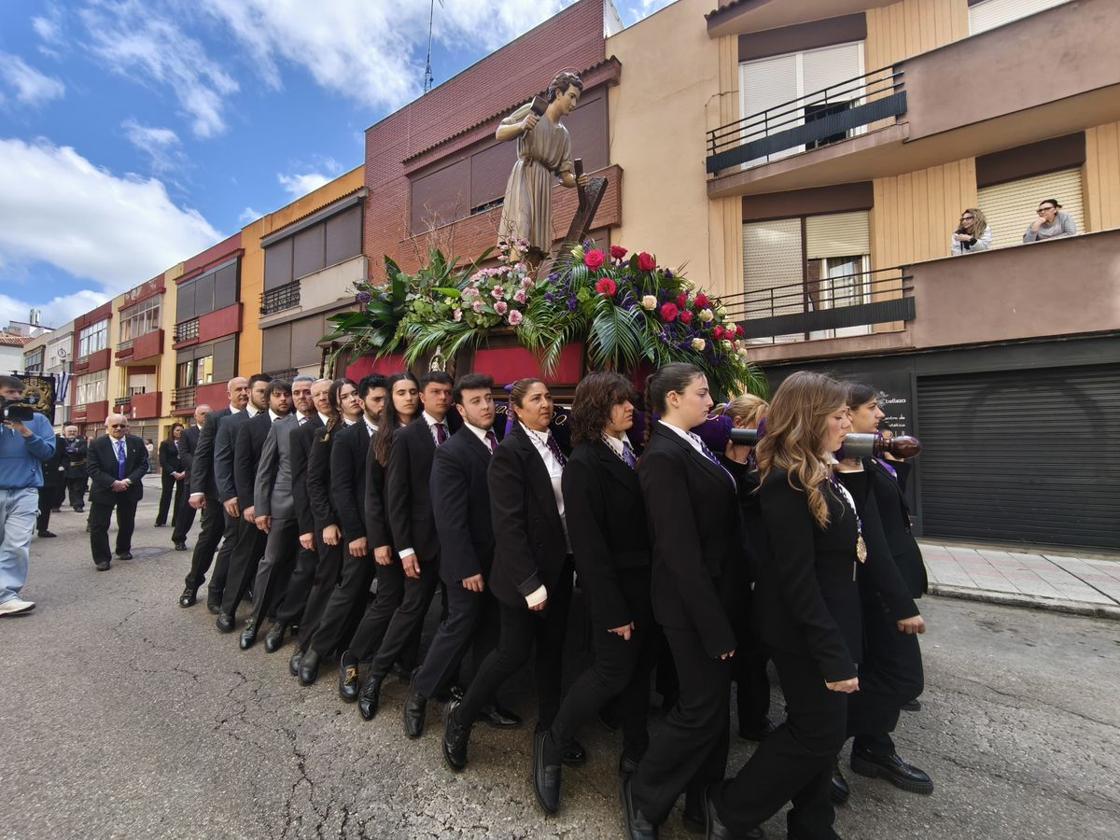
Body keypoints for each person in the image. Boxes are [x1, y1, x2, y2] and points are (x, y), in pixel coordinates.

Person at [707, 371, 860, 840]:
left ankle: (812, 824)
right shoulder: (786, 482)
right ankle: (732, 807)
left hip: (826, 622)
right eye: (838, 416)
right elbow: (797, 580)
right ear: (811, 419)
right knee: (818, 732)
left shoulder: (818, 469)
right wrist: (831, 652)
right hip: (803, 630)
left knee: (820, 731)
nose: (846, 424)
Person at [620, 364, 745, 840]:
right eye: (702, 392)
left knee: (713, 709)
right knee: (699, 709)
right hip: (692, 608)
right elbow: (679, 551)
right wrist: (713, 625)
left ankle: (701, 801)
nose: (710, 401)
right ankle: (645, 794)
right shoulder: (662, 457)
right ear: (673, 398)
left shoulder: (694, 445)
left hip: (717, 598)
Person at [535, 372, 656, 814]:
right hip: (614, 590)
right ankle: (553, 741)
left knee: (642, 668)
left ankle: (636, 748)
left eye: (631, 401)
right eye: (618, 402)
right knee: (610, 672)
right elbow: (589, 548)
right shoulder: (585, 463)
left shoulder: (632, 452)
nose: (630, 408)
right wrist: (611, 609)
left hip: (646, 585)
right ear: (595, 409)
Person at [443, 378, 576, 773]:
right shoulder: (511, 453)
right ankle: (462, 717)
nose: (546, 404)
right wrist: (529, 583)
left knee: (554, 654)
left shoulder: (559, 444)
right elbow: (509, 525)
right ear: (516, 410)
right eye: (536, 399)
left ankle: (551, 733)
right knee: (512, 653)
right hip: (524, 573)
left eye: (548, 397)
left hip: (561, 565)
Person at [403, 373, 522, 738]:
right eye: (476, 401)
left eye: (489, 399)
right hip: (466, 564)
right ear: (460, 408)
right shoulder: (452, 452)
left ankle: (483, 700)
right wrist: (467, 567)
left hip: (498, 561)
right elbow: (449, 520)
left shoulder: (498, 440)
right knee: (458, 629)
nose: (486, 406)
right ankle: (419, 694)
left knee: (490, 632)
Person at [831, 383, 932, 802]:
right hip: (875, 587)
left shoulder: (872, 459)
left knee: (888, 674)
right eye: (871, 408)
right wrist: (898, 602)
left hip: (896, 577)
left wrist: (891, 462)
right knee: (899, 677)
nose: (880, 416)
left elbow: (894, 512)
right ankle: (821, 745)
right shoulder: (845, 465)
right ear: (846, 415)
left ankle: (874, 746)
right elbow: (865, 533)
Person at [355, 371, 455, 720]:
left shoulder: (455, 428)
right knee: (408, 611)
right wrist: (403, 548)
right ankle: (374, 678)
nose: (412, 398)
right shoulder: (404, 437)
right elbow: (392, 499)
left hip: (454, 543)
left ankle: (438, 681)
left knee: (451, 617)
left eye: (447, 392)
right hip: (420, 544)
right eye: (410, 392)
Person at [337, 372, 419, 700]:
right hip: (389, 534)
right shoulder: (382, 438)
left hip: (421, 535)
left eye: (413, 391)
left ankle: (406, 661)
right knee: (388, 599)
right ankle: (352, 657)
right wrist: (380, 540)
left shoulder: (428, 431)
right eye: (399, 393)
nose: (407, 398)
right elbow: (372, 497)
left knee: (414, 602)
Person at [295, 376, 382, 686]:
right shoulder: (328, 435)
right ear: (338, 402)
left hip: (380, 527)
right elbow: (318, 483)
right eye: (346, 396)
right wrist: (328, 522)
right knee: (336, 588)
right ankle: (311, 648)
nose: (354, 400)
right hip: (344, 525)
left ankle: (351, 650)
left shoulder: (383, 429)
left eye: (356, 394)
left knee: (364, 596)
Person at [240, 375, 317, 651]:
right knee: (270, 563)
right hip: (282, 506)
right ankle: (255, 621)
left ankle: (287, 621)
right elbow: (265, 470)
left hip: (315, 512)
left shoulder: (326, 424)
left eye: (306, 392)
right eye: (296, 392)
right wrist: (261, 508)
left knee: (303, 569)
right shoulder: (281, 426)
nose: (300, 397)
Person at [717, 393, 774, 743]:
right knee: (750, 651)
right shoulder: (727, 464)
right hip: (741, 564)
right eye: (759, 424)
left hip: (755, 562)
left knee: (755, 652)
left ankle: (755, 716)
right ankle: (752, 719)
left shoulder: (754, 458)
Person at [217, 378, 291, 634]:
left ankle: (272, 611)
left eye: (286, 395)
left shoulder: (295, 424)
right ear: (268, 398)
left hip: (284, 506)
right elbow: (242, 466)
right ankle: (228, 609)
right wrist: (249, 503)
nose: (283, 400)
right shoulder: (250, 426)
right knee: (245, 557)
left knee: (278, 561)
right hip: (254, 506)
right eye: (277, 395)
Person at [263, 378, 330, 654]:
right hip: (312, 516)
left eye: (328, 393)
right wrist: (305, 526)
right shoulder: (302, 433)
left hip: (344, 516)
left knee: (328, 578)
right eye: (317, 395)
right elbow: (302, 484)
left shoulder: (350, 424)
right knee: (303, 572)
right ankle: (283, 621)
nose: (322, 398)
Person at [495, 71, 590, 259]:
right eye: (571, 96)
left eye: (576, 99)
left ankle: (528, 286)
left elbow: (564, 176)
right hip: (525, 174)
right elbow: (500, 133)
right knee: (522, 226)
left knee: (538, 244)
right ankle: (514, 282)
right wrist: (521, 125)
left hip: (544, 185)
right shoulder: (535, 109)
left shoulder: (563, 135)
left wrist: (577, 180)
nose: (574, 104)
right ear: (558, 93)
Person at [179, 378, 251, 610]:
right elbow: (202, 456)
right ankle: (192, 585)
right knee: (209, 540)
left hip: (243, 496)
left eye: (246, 389)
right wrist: (197, 489)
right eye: (238, 389)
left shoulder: (256, 418)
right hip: (215, 493)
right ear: (228, 393)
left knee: (237, 542)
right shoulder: (216, 419)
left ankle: (229, 587)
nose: (243, 393)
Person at [0, 375, 56, 616]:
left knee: (17, 544)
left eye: (18, 393)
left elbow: (48, 452)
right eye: (9, 392)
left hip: (26, 490)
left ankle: (6, 596)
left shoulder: (38, 419)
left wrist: (24, 431)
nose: (15, 397)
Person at [86, 414, 149, 571]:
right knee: (99, 525)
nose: (119, 428)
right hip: (104, 489)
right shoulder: (97, 444)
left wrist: (128, 481)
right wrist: (112, 483)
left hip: (129, 488)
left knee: (127, 522)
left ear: (127, 427)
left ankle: (123, 549)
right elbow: (93, 468)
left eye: (122, 425)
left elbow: (143, 465)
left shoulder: (136, 442)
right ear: (107, 427)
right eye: (115, 426)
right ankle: (102, 558)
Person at [171, 404, 210, 552]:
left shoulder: (217, 431)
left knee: (210, 514)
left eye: (208, 414)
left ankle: (208, 541)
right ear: (196, 417)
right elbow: (184, 453)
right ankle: (179, 538)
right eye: (203, 414)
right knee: (187, 512)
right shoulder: (188, 433)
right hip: (193, 477)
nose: (206, 416)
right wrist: (199, 466)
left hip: (212, 478)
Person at [155, 424, 187, 528]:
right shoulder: (165, 443)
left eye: (182, 430)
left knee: (180, 496)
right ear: (172, 431)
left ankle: (176, 520)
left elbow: (189, 457)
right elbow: (163, 461)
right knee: (166, 495)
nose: (179, 432)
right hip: (169, 472)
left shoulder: (186, 443)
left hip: (183, 472)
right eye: (177, 430)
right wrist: (173, 472)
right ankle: (161, 520)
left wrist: (184, 472)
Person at [36, 430, 67, 538]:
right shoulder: (31, 437)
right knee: (29, 505)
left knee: (45, 505)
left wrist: (62, 466)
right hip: (33, 475)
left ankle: (42, 528)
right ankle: (27, 529)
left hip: (52, 476)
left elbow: (65, 456)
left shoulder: (59, 441)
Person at [61, 425, 88, 512]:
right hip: (65, 468)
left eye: (74, 431)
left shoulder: (82, 441)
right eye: (70, 431)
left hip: (78, 468)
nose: (72, 433)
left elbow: (83, 451)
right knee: (62, 488)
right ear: (65, 432)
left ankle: (78, 505)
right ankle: (56, 504)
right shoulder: (61, 441)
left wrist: (74, 450)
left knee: (78, 488)